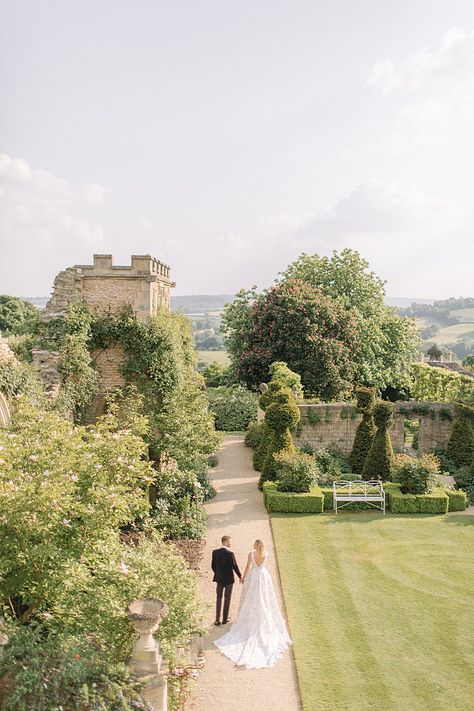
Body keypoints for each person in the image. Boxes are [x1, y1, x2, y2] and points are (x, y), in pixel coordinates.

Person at [213, 539, 292, 669]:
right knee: (264, 599)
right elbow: (263, 566)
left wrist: (243, 577)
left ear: (255, 545)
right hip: (263, 577)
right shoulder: (266, 554)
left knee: (250, 598)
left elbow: (247, 567)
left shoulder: (251, 554)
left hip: (253, 577)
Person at [211, 535, 242, 626]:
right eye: (229, 541)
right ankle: (224, 619)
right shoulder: (230, 554)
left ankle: (217, 620)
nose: (230, 543)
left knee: (219, 598)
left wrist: (218, 573)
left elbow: (213, 566)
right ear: (224, 541)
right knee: (227, 598)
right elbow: (235, 567)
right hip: (229, 580)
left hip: (219, 579)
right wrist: (240, 576)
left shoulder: (215, 552)